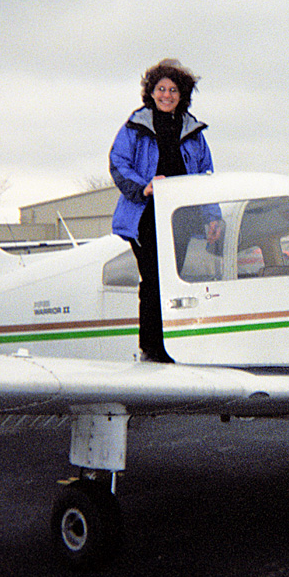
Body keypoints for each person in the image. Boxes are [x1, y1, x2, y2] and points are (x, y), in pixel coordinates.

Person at [109, 59, 219, 363]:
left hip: (181, 218)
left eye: (173, 90)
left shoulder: (193, 131)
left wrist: (213, 217)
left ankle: (175, 344)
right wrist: (144, 186)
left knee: (173, 280)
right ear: (151, 92)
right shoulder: (135, 126)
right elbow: (118, 164)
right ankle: (152, 348)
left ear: (181, 94)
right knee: (153, 279)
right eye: (161, 89)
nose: (167, 95)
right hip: (145, 216)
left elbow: (206, 176)